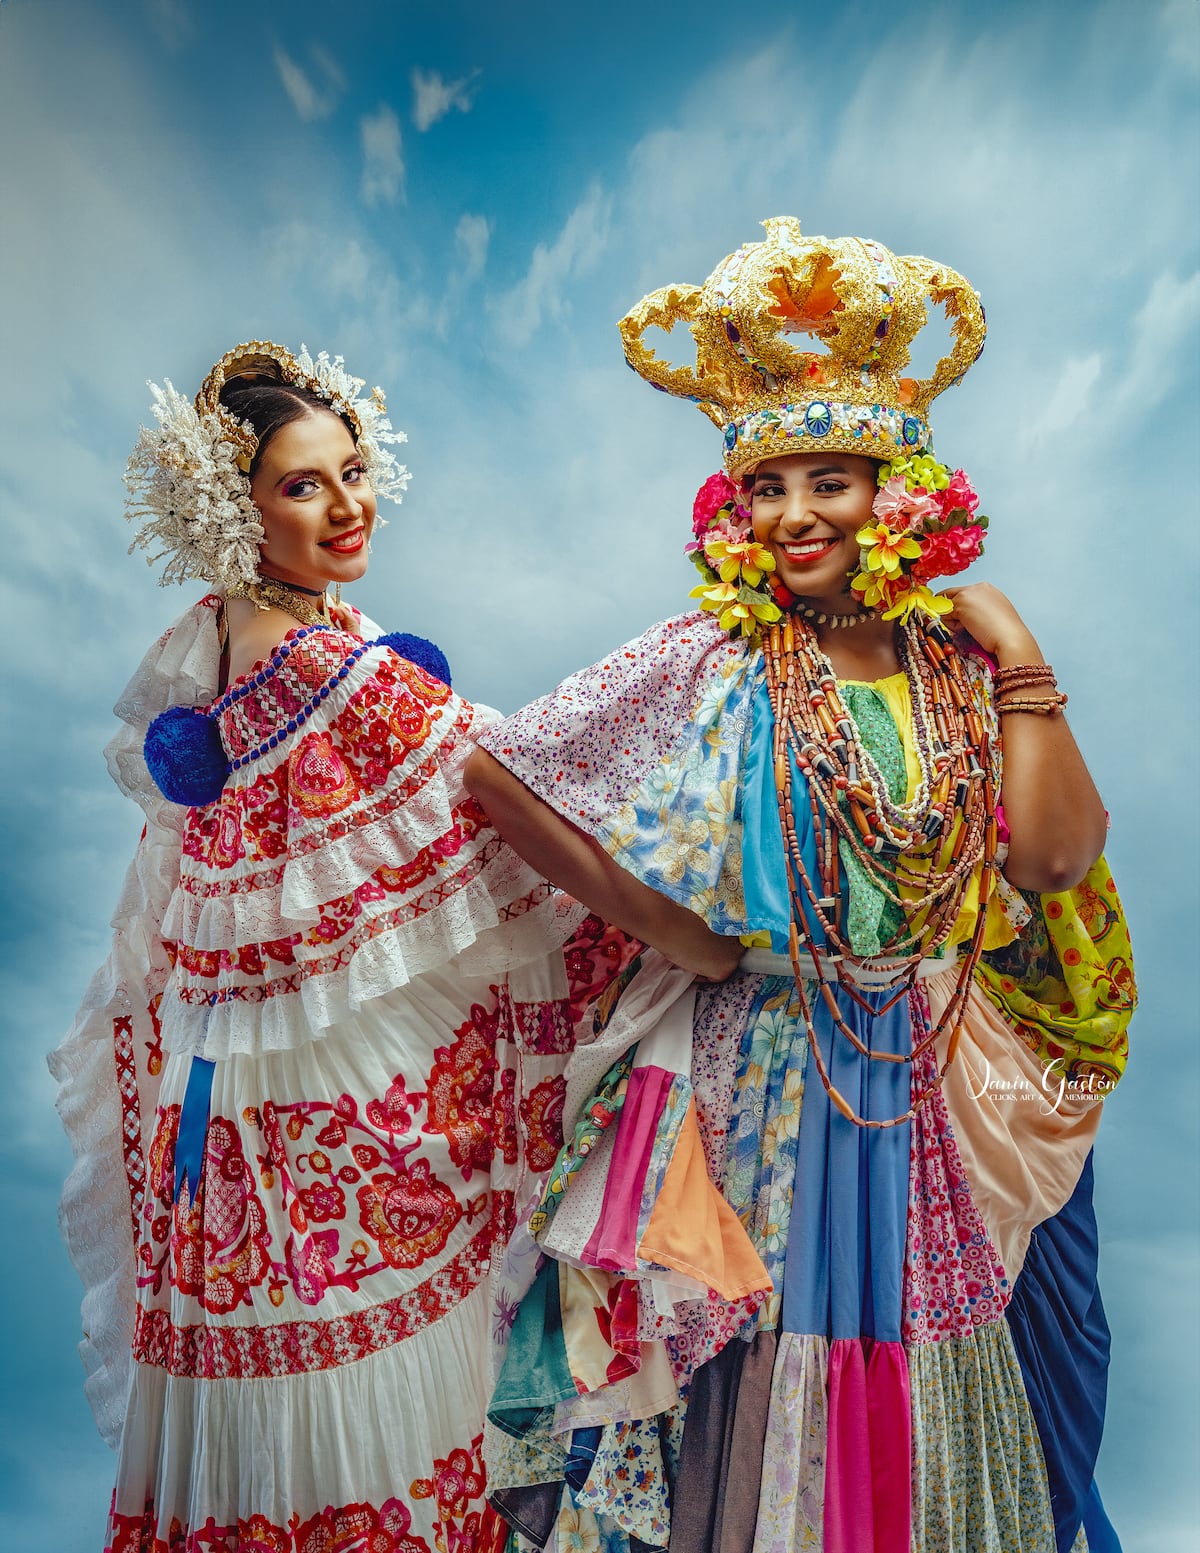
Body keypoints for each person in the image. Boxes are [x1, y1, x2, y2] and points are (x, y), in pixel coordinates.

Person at [465, 220, 1135, 1552]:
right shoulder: (719, 655)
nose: (796, 516)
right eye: (769, 487)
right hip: (763, 1074)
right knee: (758, 1358)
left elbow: (1054, 861)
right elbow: (500, 777)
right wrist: (684, 935)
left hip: (936, 1077)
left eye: (833, 479)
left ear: (906, 496)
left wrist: (1018, 649)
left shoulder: (959, 667)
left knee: (935, 1365)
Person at [49, 341, 674, 1551]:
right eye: (301, 485)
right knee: (384, 1398)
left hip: (234, 1121)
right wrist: (683, 927)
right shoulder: (331, 666)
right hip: (332, 1119)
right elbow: (516, 799)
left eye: (352, 470)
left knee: (281, 1408)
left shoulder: (225, 637)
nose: (346, 507)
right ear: (237, 512)